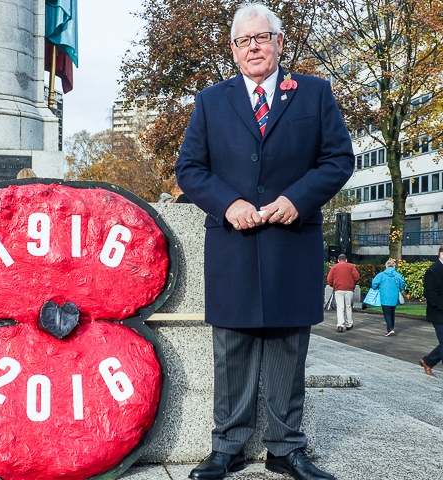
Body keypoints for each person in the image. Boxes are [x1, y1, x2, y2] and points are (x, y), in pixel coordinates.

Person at [174, 3, 354, 480]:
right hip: (233, 246)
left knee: (286, 350)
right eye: (243, 40)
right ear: (233, 50)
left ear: (279, 41)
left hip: (291, 244)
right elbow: (190, 169)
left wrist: (299, 198)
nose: (253, 46)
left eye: (262, 37)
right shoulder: (212, 101)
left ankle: (286, 448)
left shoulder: (314, 94)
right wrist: (228, 203)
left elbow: (338, 159)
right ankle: (225, 448)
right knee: (230, 350)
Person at [420, 246, 443, 377]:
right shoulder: (433, 270)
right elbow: (430, 293)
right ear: (441, 254)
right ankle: (427, 362)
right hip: (438, 314)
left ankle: (428, 361)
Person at [371, 259, 405, 337]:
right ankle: (391, 327)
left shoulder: (381, 275)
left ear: (386, 266)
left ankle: (390, 329)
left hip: (384, 296)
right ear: (394, 266)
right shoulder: (397, 275)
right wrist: (400, 288)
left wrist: (375, 288)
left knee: (387, 313)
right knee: (392, 312)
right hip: (394, 296)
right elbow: (402, 283)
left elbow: (374, 283)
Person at [327, 254, 360, 332]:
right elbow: (357, 277)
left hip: (338, 289)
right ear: (346, 260)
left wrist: (333, 285)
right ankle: (349, 324)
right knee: (348, 306)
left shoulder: (334, 267)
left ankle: (340, 325)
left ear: (338, 260)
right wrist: (353, 284)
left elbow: (329, 279)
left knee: (340, 307)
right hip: (349, 289)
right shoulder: (351, 266)